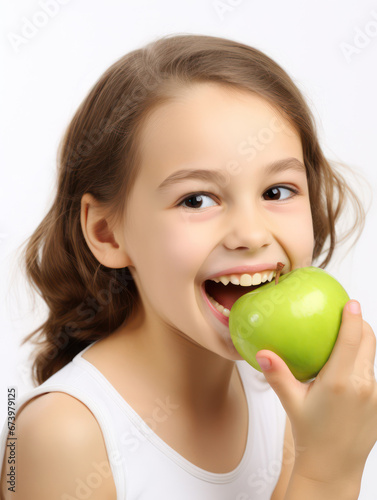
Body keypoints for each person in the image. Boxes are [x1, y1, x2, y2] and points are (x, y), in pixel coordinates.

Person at [0, 33, 376, 500]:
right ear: (107, 234)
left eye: (277, 191)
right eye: (196, 199)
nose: (252, 234)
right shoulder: (62, 437)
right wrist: (327, 476)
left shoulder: (281, 400)